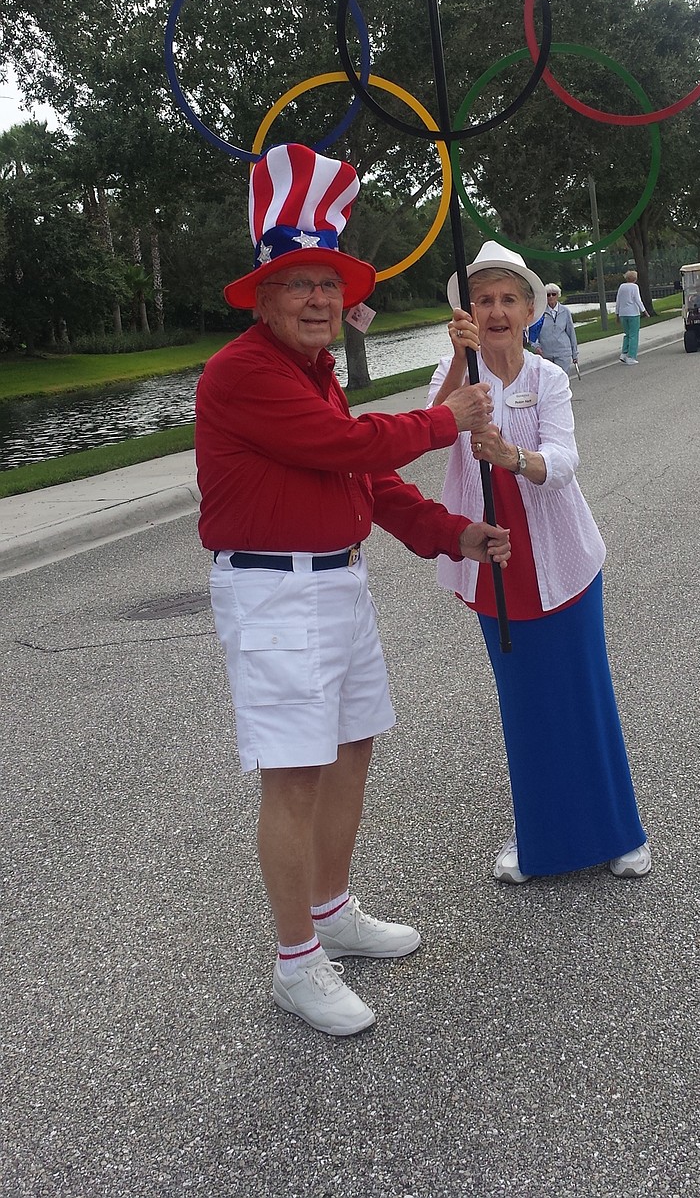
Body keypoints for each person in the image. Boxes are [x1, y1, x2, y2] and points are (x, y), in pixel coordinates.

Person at [195, 143, 510, 1038]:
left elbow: (365, 487)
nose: (320, 300)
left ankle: (330, 908)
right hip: (273, 595)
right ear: (263, 296)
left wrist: (453, 532)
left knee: (350, 747)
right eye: (300, 284)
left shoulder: (316, 375)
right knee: (293, 775)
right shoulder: (244, 374)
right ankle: (296, 963)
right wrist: (444, 416)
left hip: (336, 584)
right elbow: (351, 451)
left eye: (329, 285)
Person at [427, 240, 650, 887]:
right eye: (483, 299)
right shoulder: (457, 373)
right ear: (467, 311)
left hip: (561, 557)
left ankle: (619, 829)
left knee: (584, 696)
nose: (496, 311)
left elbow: (564, 462)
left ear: (530, 310)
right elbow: (429, 424)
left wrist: (513, 458)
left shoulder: (547, 376)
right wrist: (462, 364)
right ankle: (539, 834)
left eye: (508, 299)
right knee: (524, 703)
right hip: (494, 560)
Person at [527, 282, 578, 374]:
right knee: (549, 381)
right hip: (546, 353)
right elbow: (533, 333)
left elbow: (571, 332)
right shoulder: (540, 313)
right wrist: (536, 346)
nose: (551, 297)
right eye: (548, 295)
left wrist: (575, 354)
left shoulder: (565, 311)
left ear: (558, 295)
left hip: (563, 353)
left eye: (553, 294)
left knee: (561, 380)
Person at [615, 269, 648, 365]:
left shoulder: (622, 287)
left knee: (627, 334)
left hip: (623, 313)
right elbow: (638, 300)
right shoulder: (634, 287)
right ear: (635, 278)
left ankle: (624, 353)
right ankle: (631, 356)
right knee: (634, 335)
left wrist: (617, 313)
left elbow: (618, 301)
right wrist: (644, 311)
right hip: (633, 313)